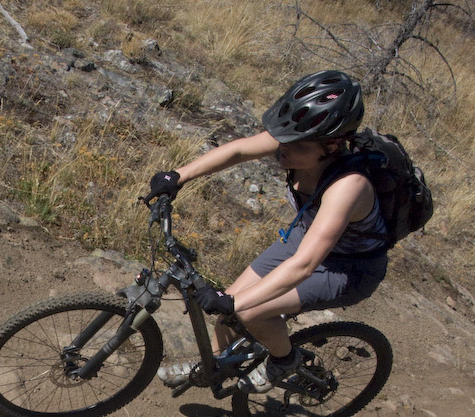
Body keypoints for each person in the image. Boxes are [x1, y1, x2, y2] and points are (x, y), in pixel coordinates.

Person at [146, 70, 389, 393]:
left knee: (246, 309)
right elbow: (238, 151)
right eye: (283, 139)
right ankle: (212, 367)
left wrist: (235, 303)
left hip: (349, 268)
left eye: (295, 145)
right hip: (309, 238)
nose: (282, 149)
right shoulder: (298, 141)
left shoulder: (349, 186)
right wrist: (178, 176)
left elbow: (304, 265)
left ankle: (284, 360)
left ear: (331, 146)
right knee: (228, 310)